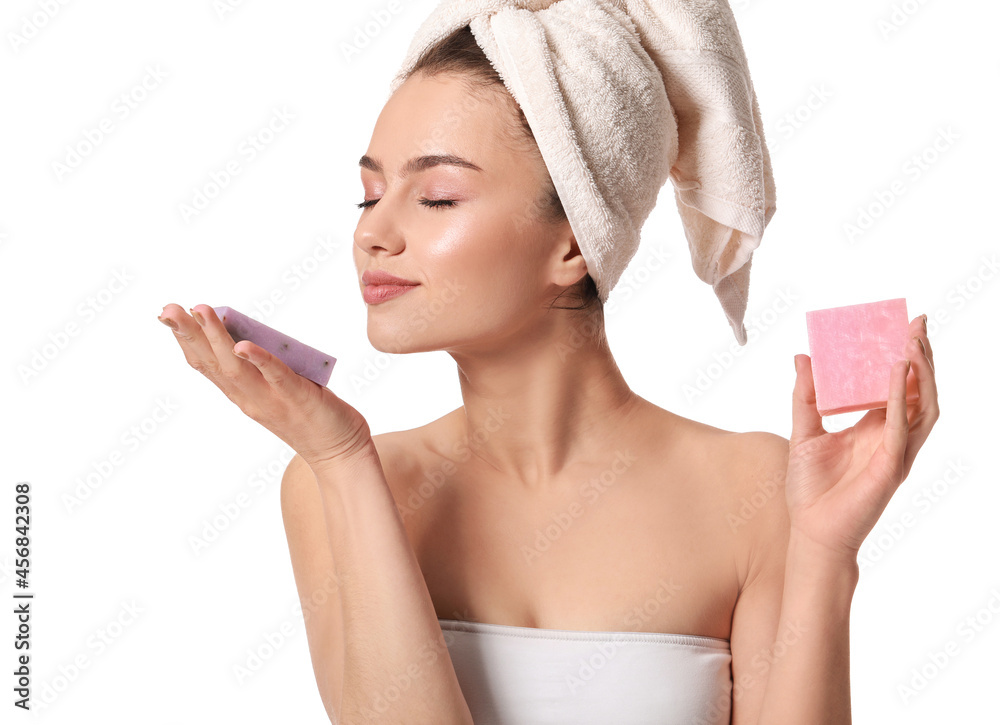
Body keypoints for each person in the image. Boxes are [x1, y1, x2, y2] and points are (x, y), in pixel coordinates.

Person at [157, 20, 939, 725]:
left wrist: (826, 553)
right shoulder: (337, 483)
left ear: (574, 242)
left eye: (436, 197)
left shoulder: (758, 487)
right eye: (369, 196)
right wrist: (340, 459)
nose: (374, 233)